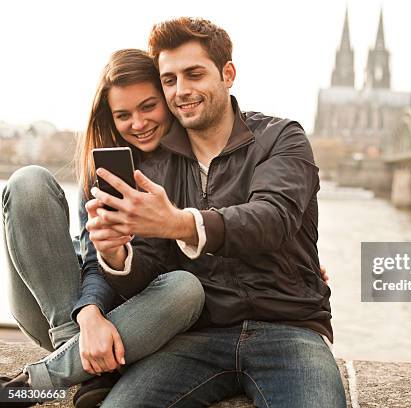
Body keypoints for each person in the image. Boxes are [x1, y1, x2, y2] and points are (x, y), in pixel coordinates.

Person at [86, 17, 346, 407]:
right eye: (169, 80)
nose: (181, 91)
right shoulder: (158, 166)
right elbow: (151, 271)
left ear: (228, 74)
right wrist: (115, 253)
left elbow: (272, 219)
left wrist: (179, 222)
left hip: (290, 330)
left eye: (194, 74)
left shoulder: (281, 138)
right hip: (197, 336)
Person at [0, 49, 205, 407]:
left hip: (146, 320)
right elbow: (94, 259)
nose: (138, 123)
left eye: (148, 107)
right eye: (123, 114)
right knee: (27, 181)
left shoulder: (195, 164)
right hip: (70, 315)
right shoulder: (102, 167)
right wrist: (90, 315)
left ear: (168, 100)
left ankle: (38, 381)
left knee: (186, 288)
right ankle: (82, 358)